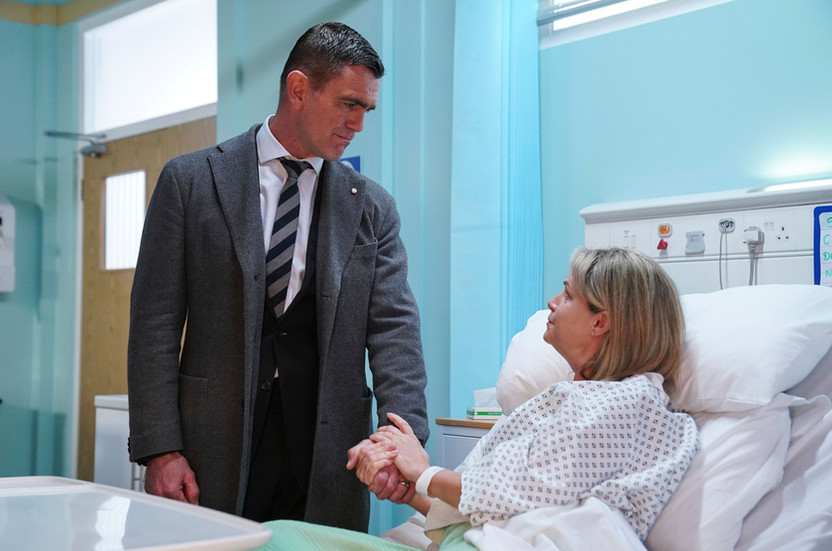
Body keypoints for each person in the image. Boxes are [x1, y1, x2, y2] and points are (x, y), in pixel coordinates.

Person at [126, 22, 428, 532]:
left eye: (366, 109)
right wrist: (161, 449)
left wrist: (403, 438)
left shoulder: (372, 208)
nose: (357, 123)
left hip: (328, 453)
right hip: (211, 449)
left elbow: (395, 330)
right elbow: (154, 326)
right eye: (348, 104)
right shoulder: (191, 183)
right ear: (299, 89)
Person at [253, 247, 700, 549]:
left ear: (601, 322)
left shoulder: (627, 404)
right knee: (275, 537)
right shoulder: (579, 397)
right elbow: (496, 507)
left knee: (274, 541)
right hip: (471, 539)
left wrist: (424, 471)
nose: (552, 302)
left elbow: (520, 492)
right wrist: (411, 489)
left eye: (567, 294)